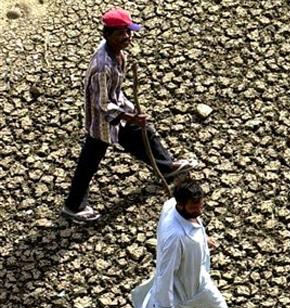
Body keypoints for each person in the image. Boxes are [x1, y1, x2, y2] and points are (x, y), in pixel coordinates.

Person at [62, 7, 198, 222]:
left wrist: (130, 110)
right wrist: (129, 116)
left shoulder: (118, 54)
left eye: (128, 32)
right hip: (102, 124)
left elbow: (114, 92)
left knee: (144, 133)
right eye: (120, 33)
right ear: (107, 35)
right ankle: (73, 206)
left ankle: (166, 166)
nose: (127, 37)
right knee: (89, 163)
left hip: (119, 112)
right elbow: (101, 104)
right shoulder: (101, 67)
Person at [124, 178, 265, 308]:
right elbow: (165, 275)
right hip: (182, 291)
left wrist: (202, 239)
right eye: (193, 208)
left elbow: (192, 228)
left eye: (201, 206)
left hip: (198, 281)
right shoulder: (175, 237)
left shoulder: (173, 205)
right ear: (180, 205)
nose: (199, 212)